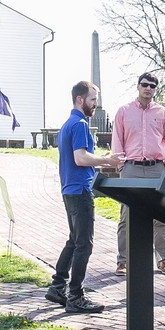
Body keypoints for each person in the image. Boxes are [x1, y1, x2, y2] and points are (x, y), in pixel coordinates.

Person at [45, 81, 124, 314]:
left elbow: (78, 157)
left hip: (69, 189)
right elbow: (80, 158)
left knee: (74, 240)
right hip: (80, 190)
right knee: (84, 245)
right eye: (92, 100)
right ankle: (76, 296)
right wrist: (107, 160)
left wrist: (99, 157)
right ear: (80, 99)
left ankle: (58, 286)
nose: (95, 105)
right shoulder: (79, 124)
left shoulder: (67, 124)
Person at [114, 72, 165, 275]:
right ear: (138, 86)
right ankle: (123, 261)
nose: (148, 88)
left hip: (156, 167)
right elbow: (118, 139)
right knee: (126, 214)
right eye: (145, 84)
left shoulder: (162, 113)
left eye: (152, 85)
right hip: (131, 167)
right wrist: (121, 165)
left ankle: (163, 259)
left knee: (161, 215)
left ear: (155, 89)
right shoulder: (123, 112)